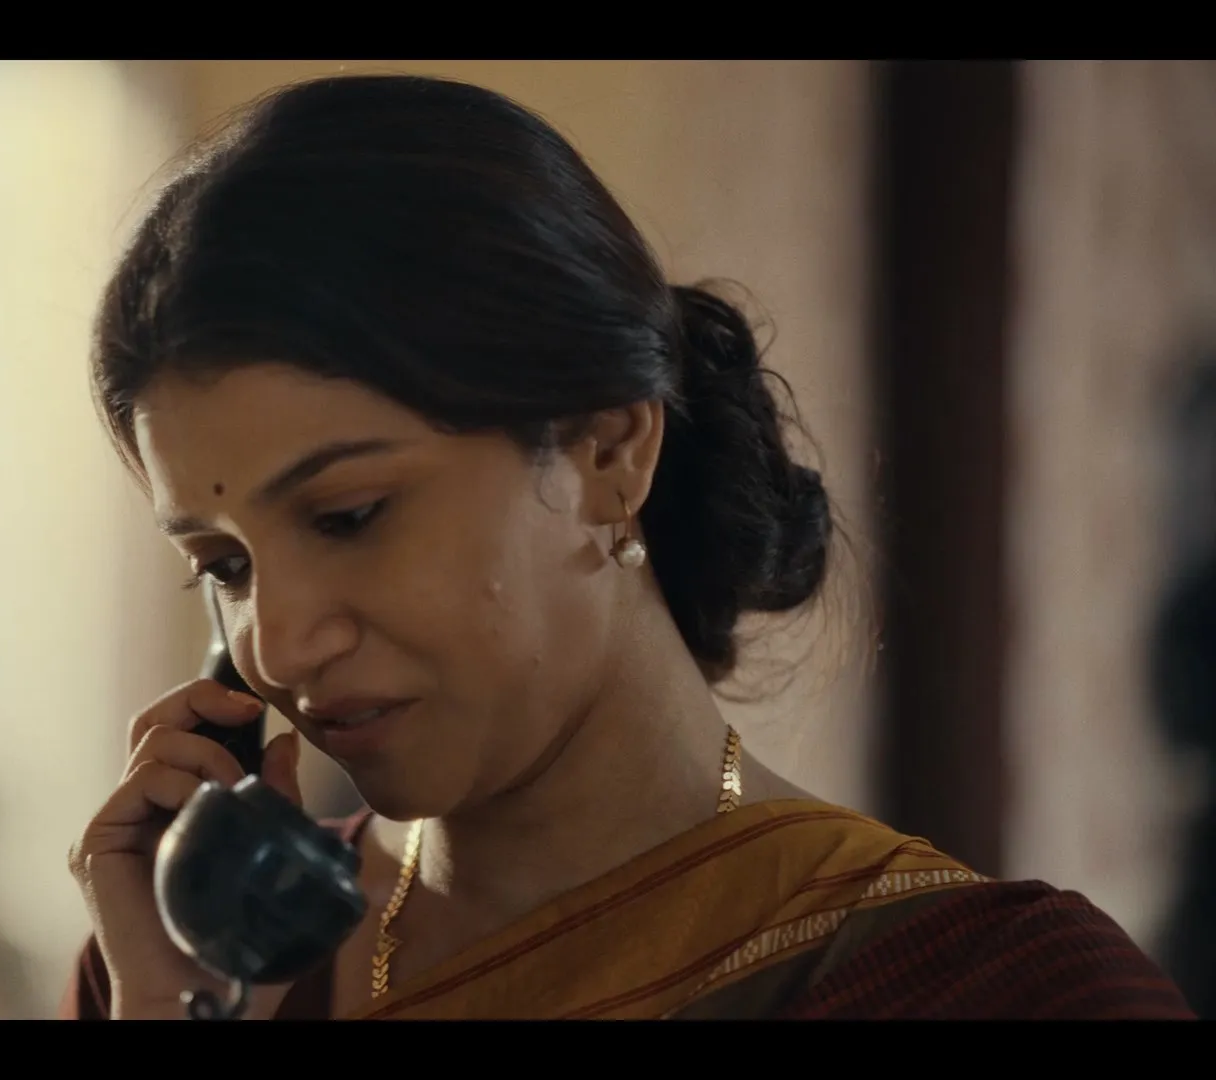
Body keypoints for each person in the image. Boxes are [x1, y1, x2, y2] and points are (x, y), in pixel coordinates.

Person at [59, 73, 1195, 1020]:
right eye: (225, 567)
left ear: (609, 449)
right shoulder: (192, 973)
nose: (278, 646)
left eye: (350, 515)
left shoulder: (988, 990)